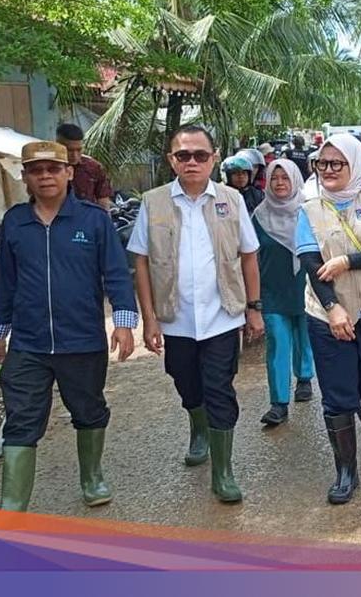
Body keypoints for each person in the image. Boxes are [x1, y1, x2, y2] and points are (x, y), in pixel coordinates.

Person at [0, 141, 137, 511]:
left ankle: (91, 477)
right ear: (25, 177)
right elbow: (6, 280)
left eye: (53, 169)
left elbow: (116, 274)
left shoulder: (93, 220)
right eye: (36, 170)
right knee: (21, 418)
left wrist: (123, 322)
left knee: (88, 410)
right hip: (28, 343)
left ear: (68, 172)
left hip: (82, 340)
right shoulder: (15, 222)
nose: (45, 176)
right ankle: (13, 504)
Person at [127, 125, 264, 504]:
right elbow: (140, 262)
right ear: (171, 159)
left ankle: (223, 473)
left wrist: (254, 308)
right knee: (185, 381)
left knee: (219, 387)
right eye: (183, 155)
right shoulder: (153, 202)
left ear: (213, 157)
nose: (191, 162)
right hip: (176, 318)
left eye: (199, 155)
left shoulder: (231, 199)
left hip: (223, 314)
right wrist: (150, 318)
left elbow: (249, 255)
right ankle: (198, 427)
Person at [296, 133, 361, 504]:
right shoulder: (308, 209)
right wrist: (332, 308)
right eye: (321, 164)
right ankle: (346, 471)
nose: (327, 170)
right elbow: (311, 264)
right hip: (326, 314)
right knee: (338, 394)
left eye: (336, 163)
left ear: (355, 165)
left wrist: (348, 261)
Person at [253, 159, 316, 427]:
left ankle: (304, 377)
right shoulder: (258, 216)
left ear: (295, 180)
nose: (279, 183)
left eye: (285, 178)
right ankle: (278, 403)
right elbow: (249, 257)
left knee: (305, 335)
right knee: (277, 342)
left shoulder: (310, 212)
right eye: (274, 178)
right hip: (272, 290)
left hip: (306, 285)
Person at [56, 124, 112, 209]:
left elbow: (103, 201)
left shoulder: (93, 167)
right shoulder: (47, 169)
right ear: (57, 145)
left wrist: (105, 220)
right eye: (69, 150)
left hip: (88, 219)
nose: (75, 155)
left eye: (79, 150)